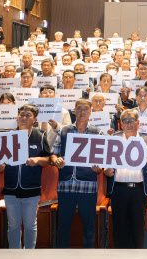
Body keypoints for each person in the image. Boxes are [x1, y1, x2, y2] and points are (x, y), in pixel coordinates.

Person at [0, 104, 51, 249]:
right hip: (10, 188)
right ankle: (14, 254)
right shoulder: (8, 136)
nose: (24, 117)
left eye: (28, 115)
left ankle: (29, 254)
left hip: (32, 188)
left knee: (30, 225)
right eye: (21, 114)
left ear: (35, 119)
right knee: (13, 225)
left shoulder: (40, 136)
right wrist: (0, 165)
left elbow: (49, 159)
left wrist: (38, 160)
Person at [51, 99, 103, 248]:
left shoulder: (97, 133)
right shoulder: (64, 130)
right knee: (63, 226)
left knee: (89, 227)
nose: (82, 112)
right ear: (74, 110)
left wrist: (98, 168)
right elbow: (54, 154)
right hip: (66, 185)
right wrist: (56, 160)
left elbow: (102, 161)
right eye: (79, 108)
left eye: (85, 109)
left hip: (88, 186)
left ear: (90, 112)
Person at [104, 109, 147, 248]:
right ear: (121, 124)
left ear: (138, 123)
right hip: (118, 190)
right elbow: (104, 165)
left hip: (139, 191)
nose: (128, 124)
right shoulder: (114, 139)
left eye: (131, 121)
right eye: (125, 121)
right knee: (119, 229)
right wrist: (106, 171)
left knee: (138, 229)